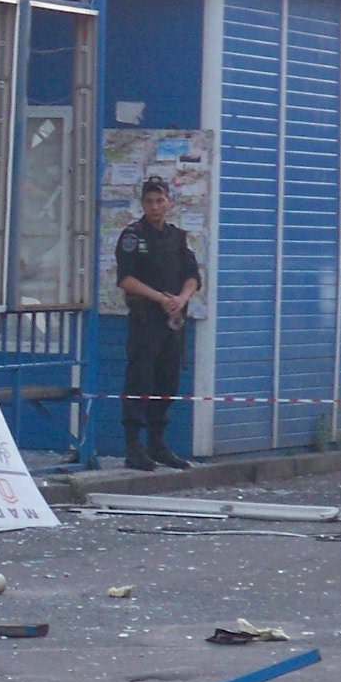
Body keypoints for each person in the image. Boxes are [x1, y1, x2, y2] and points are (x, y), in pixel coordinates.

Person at [114, 176, 202, 471]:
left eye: (160, 201)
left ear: (169, 203)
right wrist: (159, 298)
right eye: (150, 201)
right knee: (140, 380)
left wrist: (180, 298)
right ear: (142, 204)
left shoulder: (176, 237)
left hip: (172, 322)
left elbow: (192, 275)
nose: (155, 207)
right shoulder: (133, 236)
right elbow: (126, 279)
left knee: (167, 382)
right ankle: (133, 447)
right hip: (145, 320)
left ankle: (157, 443)